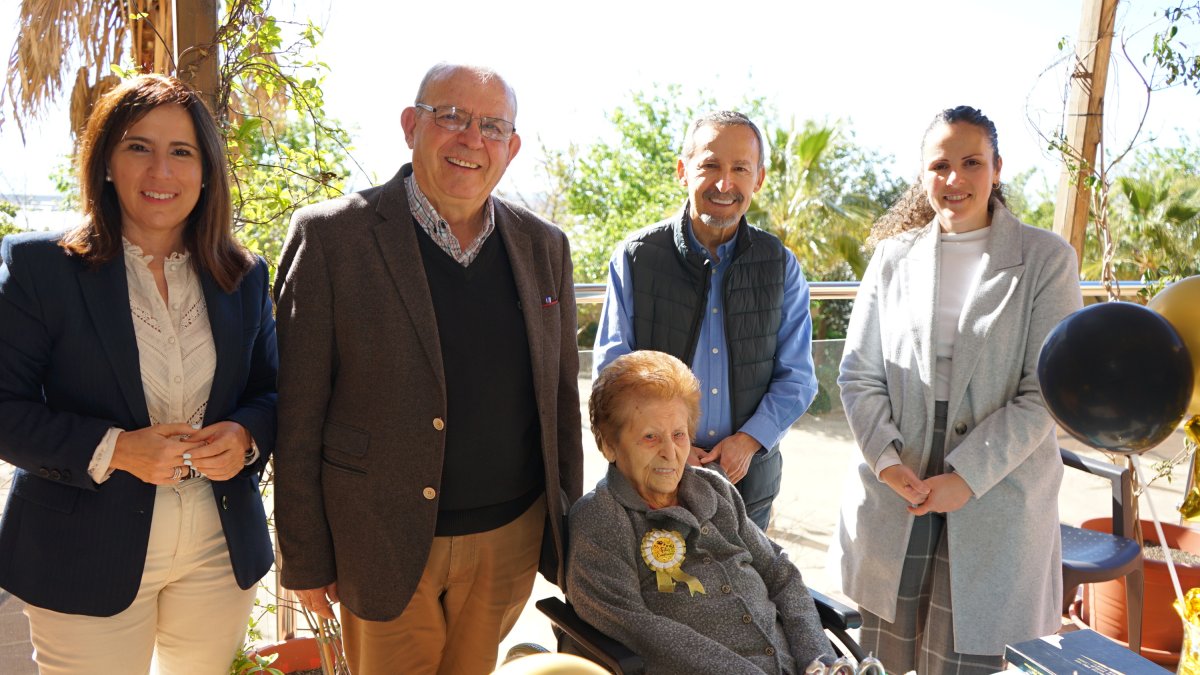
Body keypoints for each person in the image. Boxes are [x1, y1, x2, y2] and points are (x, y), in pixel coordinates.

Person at [273, 62, 582, 675]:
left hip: (508, 537)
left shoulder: (545, 246)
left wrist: (567, 531)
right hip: (380, 538)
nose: (472, 138)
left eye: (493, 126)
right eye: (452, 117)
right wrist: (305, 557)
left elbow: (559, 399)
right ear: (411, 125)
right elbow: (297, 410)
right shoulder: (332, 237)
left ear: (512, 148)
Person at [0, 74, 277, 675]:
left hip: (217, 548)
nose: (161, 172)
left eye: (182, 152)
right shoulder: (39, 268)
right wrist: (117, 449)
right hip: (82, 551)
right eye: (138, 147)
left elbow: (272, 391)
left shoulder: (244, 275)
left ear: (206, 171)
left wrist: (246, 436)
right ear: (105, 163)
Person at [830, 106, 1084, 674]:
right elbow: (859, 372)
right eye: (939, 164)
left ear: (997, 168)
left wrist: (967, 477)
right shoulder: (893, 259)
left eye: (971, 162)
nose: (954, 178)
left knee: (969, 659)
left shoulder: (1046, 259)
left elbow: (1045, 391)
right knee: (884, 659)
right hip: (901, 482)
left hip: (999, 485)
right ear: (923, 175)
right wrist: (886, 461)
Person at [592, 110, 817, 530]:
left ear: (759, 179)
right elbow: (612, 370)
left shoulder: (780, 264)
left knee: (742, 587)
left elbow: (798, 377)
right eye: (710, 165)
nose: (725, 183)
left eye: (740, 169)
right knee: (657, 587)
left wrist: (748, 442)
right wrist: (671, 446)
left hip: (748, 475)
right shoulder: (635, 256)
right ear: (683, 171)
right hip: (650, 471)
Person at [568, 350, 834, 674]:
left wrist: (820, 660)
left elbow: (779, 572)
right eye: (650, 437)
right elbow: (635, 626)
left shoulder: (713, 488)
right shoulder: (602, 519)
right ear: (609, 445)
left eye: (679, 434)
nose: (670, 453)